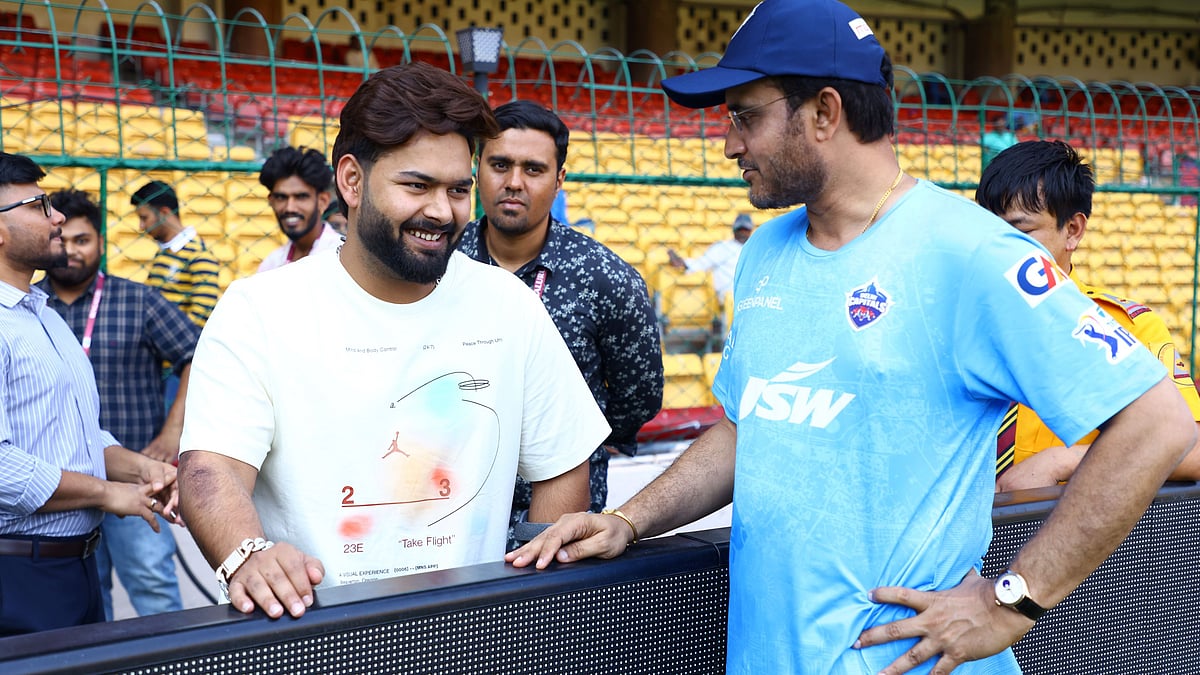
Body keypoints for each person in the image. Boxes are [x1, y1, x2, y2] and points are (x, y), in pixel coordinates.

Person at [508, 2, 1196, 674]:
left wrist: (1012, 600)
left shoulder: (973, 253)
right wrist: (628, 519)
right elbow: (754, 422)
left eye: (746, 115)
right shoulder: (768, 250)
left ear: (824, 113)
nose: (729, 143)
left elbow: (1156, 421)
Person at [176, 62, 610, 621]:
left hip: (473, 634)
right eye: (416, 185)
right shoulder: (259, 308)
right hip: (312, 636)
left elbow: (561, 465)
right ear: (351, 181)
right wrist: (247, 555)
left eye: (458, 189)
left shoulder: (509, 305)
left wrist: (527, 595)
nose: (440, 211)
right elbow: (212, 467)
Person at [457, 100, 664, 547]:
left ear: (560, 180)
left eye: (533, 169)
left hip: (558, 524)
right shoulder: (442, 262)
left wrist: (585, 440)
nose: (514, 182)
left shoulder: (607, 277)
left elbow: (639, 395)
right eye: (499, 165)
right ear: (477, 171)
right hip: (450, 510)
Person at [0, 152, 181, 636]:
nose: (56, 217)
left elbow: (79, 438)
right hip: (19, 575)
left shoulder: (44, 315)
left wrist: (142, 468)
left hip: (74, 567)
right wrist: (107, 492)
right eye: (39, 206)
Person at [976, 140, 1200, 490]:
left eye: (1020, 233)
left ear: (1073, 230)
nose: (999, 250)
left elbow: (1192, 448)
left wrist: (1064, 461)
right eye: (988, 232)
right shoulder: (950, 322)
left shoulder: (1126, 328)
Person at [36, 189, 201, 620]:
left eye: (83, 240)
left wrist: (172, 433)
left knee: (153, 588)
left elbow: (197, 357)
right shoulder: (28, 308)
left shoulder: (138, 301)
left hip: (135, 480)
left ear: (101, 241)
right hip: (58, 489)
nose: (71, 250)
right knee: (87, 600)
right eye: (63, 240)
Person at [130, 180, 220, 326]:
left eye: (144, 218)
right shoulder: (163, 253)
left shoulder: (199, 256)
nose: (141, 227)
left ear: (164, 213)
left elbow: (201, 317)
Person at [256, 146, 344, 273]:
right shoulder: (271, 265)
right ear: (271, 201)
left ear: (323, 201)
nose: (290, 208)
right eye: (281, 197)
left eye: (301, 197)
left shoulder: (343, 258)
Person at [666, 212, 753, 301]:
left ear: (750, 231)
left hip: (751, 297)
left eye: (745, 230)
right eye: (740, 229)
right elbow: (700, 264)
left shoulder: (754, 249)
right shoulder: (722, 247)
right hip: (729, 299)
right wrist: (681, 261)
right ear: (734, 230)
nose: (743, 233)